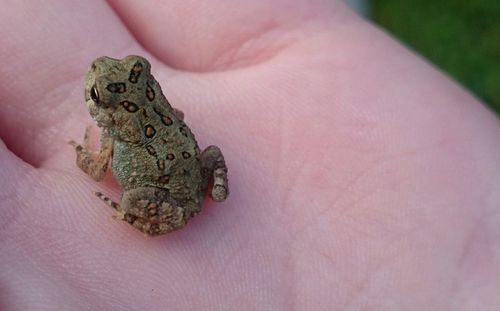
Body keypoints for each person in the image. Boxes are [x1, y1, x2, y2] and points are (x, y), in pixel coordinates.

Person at [0, 1, 498, 309]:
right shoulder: (140, 119)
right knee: (206, 154)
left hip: (170, 194)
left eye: (108, 87)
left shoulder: (112, 137)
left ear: (133, 89)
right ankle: (199, 190)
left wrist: (84, 157)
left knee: (129, 201)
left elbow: (91, 169)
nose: (99, 82)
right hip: (196, 171)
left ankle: (157, 211)